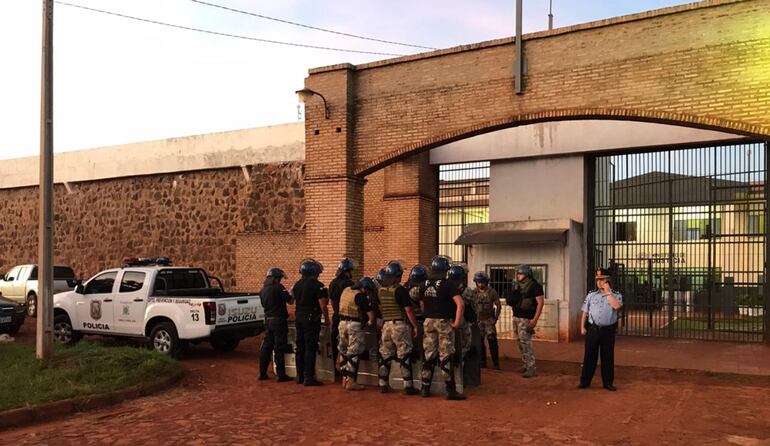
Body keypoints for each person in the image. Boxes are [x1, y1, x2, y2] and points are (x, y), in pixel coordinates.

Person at [420, 256, 466, 400]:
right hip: (443, 321)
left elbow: (421, 302)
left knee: (429, 353)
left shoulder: (424, 284)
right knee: (445, 355)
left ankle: (425, 388)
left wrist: (427, 314)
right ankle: (450, 390)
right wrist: (457, 322)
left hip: (428, 321)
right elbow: (460, 304)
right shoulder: (448, 284)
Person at [377, 261, 420, 395]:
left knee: (385, 355)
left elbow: (381, 309)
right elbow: (408, 311)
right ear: (396, 276)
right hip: (399, 325)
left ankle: (383, 384)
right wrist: (415, 326)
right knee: (404, 354)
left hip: (386, 325)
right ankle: (408, 386)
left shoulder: (381, 291)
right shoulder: (400, 290)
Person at [579, 268, 623, 391]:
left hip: (608, 331)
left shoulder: (616, 295)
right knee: (589, 356)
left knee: (607, 357)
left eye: (602, 279)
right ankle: (585, 381)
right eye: (597, 279)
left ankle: (608, 383)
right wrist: (582, 327)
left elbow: (616, 306)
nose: (599, 282)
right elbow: (585, 312)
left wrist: (608, 292)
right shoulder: (591, 295)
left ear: (608, 281)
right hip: (593, 329)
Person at [291, 259, 330, 386]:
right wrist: (327, 319)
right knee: (310, 347)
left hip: (299, 317)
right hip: (311, 319)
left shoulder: (297, 285)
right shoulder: (317, 285)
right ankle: (309, 377)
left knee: (300, 346)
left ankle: (299, 376)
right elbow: (323, 305)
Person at [337, 276, 377, 391]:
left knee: (344, 351)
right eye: (368, 290)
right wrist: (368, 325)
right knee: (354, 353)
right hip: (354, 325)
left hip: (342, 323)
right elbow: (372, 317)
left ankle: (344, 380)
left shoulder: (346, 290)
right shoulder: (360, 296)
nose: (367, 293)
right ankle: (351, 381)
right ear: (364, 288)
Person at [505, 265, 545, 378]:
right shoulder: (518, 286)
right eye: (518, 274)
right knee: (519, 341)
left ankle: (531, 368)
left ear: (527, 275)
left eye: (520, 274)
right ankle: (526, 364)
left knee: (526, 342)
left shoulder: (535, 286)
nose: (518, 276)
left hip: (526, 318)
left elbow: (540, 303)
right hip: (516, 316)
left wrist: (535, 320)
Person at [258, 268, 294, 382]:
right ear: (276, 278)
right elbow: (290, 301)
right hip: (279, 321)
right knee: (279, 347)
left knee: (267, 346)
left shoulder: (263, 290)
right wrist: (291, 292)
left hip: (268, 320)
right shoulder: (279, 287)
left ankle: (262, 373)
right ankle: (281, 374)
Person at [328, 258, 356, 375]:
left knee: (336, 343)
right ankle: (348, 370)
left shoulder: (333, 283)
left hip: (336, 315)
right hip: (347, 316)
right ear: (347, 271)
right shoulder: (350, 284)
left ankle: (333, 369)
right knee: (349, 344)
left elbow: (331, 300)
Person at [469, 271, 501, 370]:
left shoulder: (492, 292)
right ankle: (482, 362)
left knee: (492, 340)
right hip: (478, 320)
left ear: (486, 282)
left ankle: (496, 363)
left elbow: (498, 305)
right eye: (479, 282)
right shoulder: (473, 292)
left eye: (482, 282)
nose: (481, 284)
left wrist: (495, 318)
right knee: (479, 341)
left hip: (488, 319)